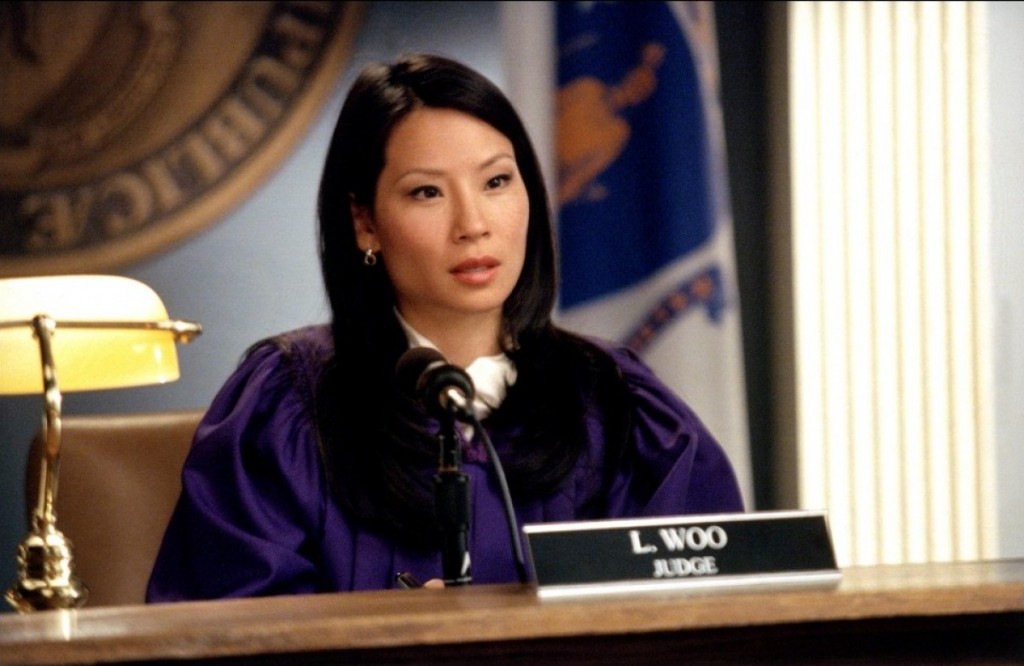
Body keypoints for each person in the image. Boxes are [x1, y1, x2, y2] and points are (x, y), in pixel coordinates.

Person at [146, 53, 744, 602]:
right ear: (365, 223)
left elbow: (711, 612)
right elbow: (227, 634)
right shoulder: (288, 408)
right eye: (427, 192)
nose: (473, 224)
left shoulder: (617, 403)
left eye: (496, 182)